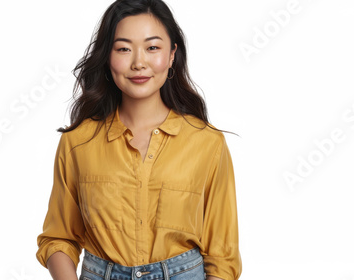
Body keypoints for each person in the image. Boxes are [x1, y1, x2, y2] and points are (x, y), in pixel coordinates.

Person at [35, 0, 242, 279]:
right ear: (108, 57)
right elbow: (59, 238)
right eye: (123, 48)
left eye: (152, 47)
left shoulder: (207, 143)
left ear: (171, 55)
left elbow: (222, 256)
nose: (138, 62)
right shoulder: (78, 142)